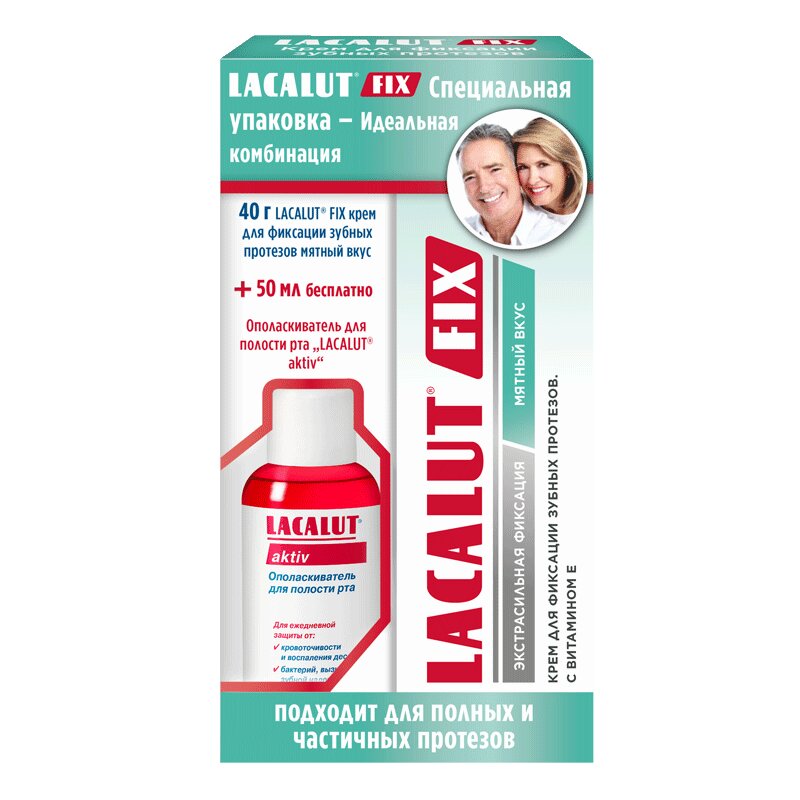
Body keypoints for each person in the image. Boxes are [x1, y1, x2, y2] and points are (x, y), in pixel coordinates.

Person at [456, 123, 558, 247]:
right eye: (470, 177)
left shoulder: (554, 237)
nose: (484, 188)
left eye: (495, 170)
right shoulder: (455, 235)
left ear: (517, 170)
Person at [513, 118, 584, 225]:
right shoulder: (516, 215)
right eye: (523, 167)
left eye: (543, 165)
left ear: (567, 167)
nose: (532, 180)